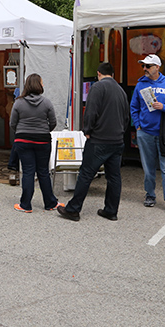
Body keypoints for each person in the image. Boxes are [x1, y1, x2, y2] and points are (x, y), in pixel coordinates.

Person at [58, 62, 129, 222]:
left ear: (98, 74)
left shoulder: (97, 88)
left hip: (99, 140)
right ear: (113, 74)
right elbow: (126, 117)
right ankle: (111, 211)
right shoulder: (121, 91)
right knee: (114, 177)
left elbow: (90, 111)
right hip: (117, 141)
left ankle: (73, 209)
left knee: (85, 174)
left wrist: (87, 131)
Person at [130, 54, 165, 215]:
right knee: (148, 168)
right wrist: (138, 126)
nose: (144, 69)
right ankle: (150, 195)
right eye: (143, 66)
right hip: (145, 133)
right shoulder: (140, 85)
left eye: (148, 66)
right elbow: (133, 106)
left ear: (157, 67)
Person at [10, 73, 61, 213]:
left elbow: (12, 123)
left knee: (28, 172)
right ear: (38, 85)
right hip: (42, 141)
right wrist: (43, 131)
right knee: (43, 172)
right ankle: (50, 203)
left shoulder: (19, 102)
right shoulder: (47, 102)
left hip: (23, 141)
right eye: (42, 82)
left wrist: (21, 131)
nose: (43, 85)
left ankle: (25, 205)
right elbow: (53, 123)